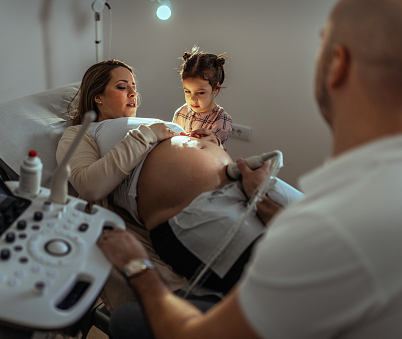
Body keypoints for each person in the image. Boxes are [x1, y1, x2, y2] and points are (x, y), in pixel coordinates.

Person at [98, 0, 402, 337]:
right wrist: (261, 198)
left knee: (129, 322)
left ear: (337, 65)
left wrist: (136, 265)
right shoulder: (371, 192)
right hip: (231, 199)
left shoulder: (332, 229)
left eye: (321, 42)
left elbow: (195, 334)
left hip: (198, 229)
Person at [57, 60, 302, 299]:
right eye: (122, 87)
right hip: (194, 212)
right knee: (284, 282)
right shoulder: (82, 132)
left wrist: (210, 143)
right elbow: (89, 186)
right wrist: (146, 135)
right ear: (97, 96)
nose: (134, 93)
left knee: (321, 239)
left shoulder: (146, 121)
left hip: (244, 185)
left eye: (134, 86)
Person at [172, 46, 233, 150]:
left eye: (200, 93)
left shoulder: (221, 118)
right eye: (187, 91)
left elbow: (215, 145)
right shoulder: (181, 113)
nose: (193, 99)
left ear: (216, 88)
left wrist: (212, 141)